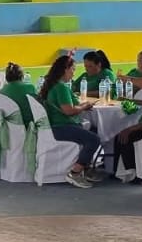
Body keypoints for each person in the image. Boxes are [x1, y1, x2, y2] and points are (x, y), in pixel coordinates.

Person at [38, 53, 102, 187]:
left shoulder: (52, 85)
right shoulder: (61, 87)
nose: (74, 73)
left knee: (91, 130)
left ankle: (86, 168)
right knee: (94, 139)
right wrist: (84, 106)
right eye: (73, 69)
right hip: (61, 127)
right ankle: (75, 172)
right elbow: (68, 110)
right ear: (65, 69)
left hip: (55, 126)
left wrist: (81, 106)